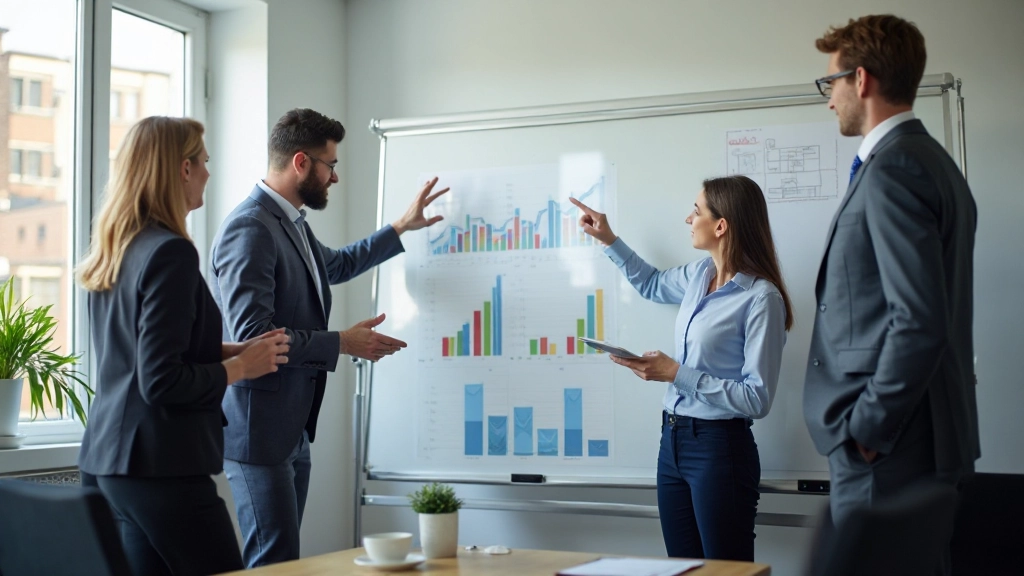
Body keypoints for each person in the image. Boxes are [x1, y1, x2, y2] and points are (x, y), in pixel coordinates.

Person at [210, 108, 449, 567]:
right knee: (274, 560)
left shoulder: (290, 221)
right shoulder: (250, 228)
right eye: (330, 165)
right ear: (301, 162)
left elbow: (334, 266)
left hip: (292, 427)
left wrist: (400, 227)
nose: (334, 177)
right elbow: (254, 336)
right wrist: (341, 342)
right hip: (259, 431)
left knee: (285, 559)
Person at [75, 116, 290, 576]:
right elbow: (161, 380)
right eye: (205, 162)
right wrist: (241, 369)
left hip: (110, 466)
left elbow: (137, 357)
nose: (210, 173)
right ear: (182, 169)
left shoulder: (118, 247)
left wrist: (232, 350)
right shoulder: (171, 251)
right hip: (162, 467)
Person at [805, 13, 980, 565]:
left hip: (890, 447)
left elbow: (920, 319)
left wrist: (867, 431)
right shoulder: (932, 162)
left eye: (830, 83)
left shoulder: (893, 168)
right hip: (918, 439)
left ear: (861, 80)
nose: (829, 100)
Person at [571, 175, 791, 561]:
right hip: (672, 443)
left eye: (696, 211)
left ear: (720, 226)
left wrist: (676, 373)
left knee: (726, 571)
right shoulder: (697, 275)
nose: (688, 219)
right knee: (683, 568)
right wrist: (609, 239)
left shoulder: (761, 299)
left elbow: (757, 398)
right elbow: (653, 284)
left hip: (719, 449)